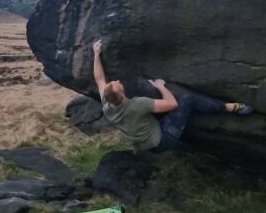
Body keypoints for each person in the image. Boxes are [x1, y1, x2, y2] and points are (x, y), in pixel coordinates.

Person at [92, 38, 252, 153]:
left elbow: (99, 79)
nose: (117, 80)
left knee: (158, 114)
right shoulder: (138, 104)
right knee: (188, 100)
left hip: (146, 146)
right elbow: (173, 104)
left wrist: (96, 54)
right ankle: (229, 107)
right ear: (121, 93)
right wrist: (161, 87)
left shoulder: (108, 106)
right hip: (163, 141)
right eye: (116, 83)